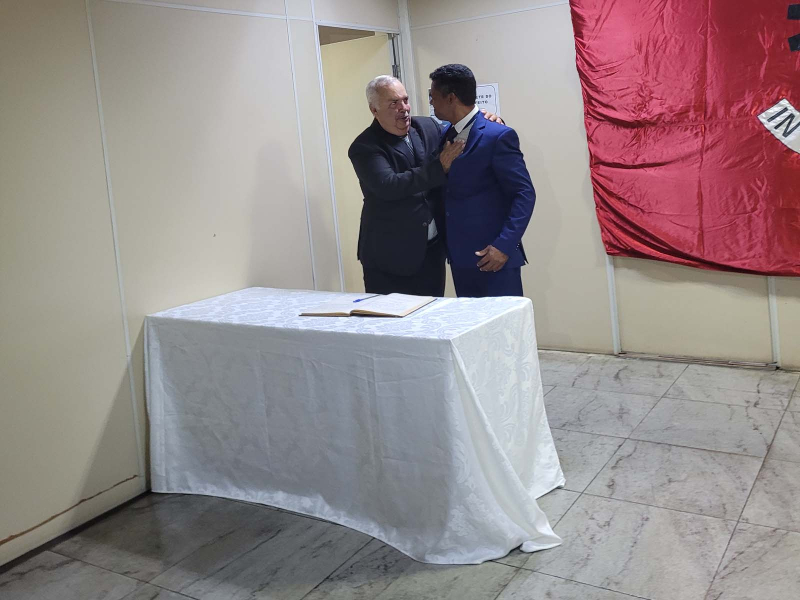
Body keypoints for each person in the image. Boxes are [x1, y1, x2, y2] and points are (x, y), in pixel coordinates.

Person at [348, 76, 503, 297]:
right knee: (392, 318)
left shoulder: (427, 126)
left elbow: (464, 133)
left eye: (405, 100)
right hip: (389, 258)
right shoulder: (364, 146)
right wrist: (439, 167)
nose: (404, 108)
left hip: (431, 253)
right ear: (374, 110)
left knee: (432, 314)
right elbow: (389, 186)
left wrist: (489, 120)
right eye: (393, 103)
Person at [429, 64, 536, 297]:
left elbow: (524, 194)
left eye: (433, 97)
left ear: (451, 98)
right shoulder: (443, 134)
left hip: (494, 258)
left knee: (505, 321)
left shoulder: (497, 135)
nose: (431, 103)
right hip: (460, 259)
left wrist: (504, 245)